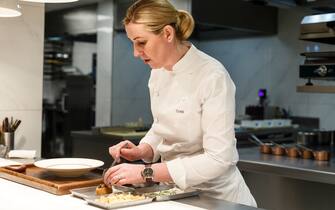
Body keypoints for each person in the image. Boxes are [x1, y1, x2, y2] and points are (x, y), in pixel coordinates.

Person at [103, 0, 257, 207]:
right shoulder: (157, 72)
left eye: (141, 42)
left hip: (218, 198)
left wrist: (146, 172)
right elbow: (162, 126)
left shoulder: (212, 76)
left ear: (167, 34)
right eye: (133, 43)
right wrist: (144, 149)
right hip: (176, 194)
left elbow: (219, 160)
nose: (135, 53)